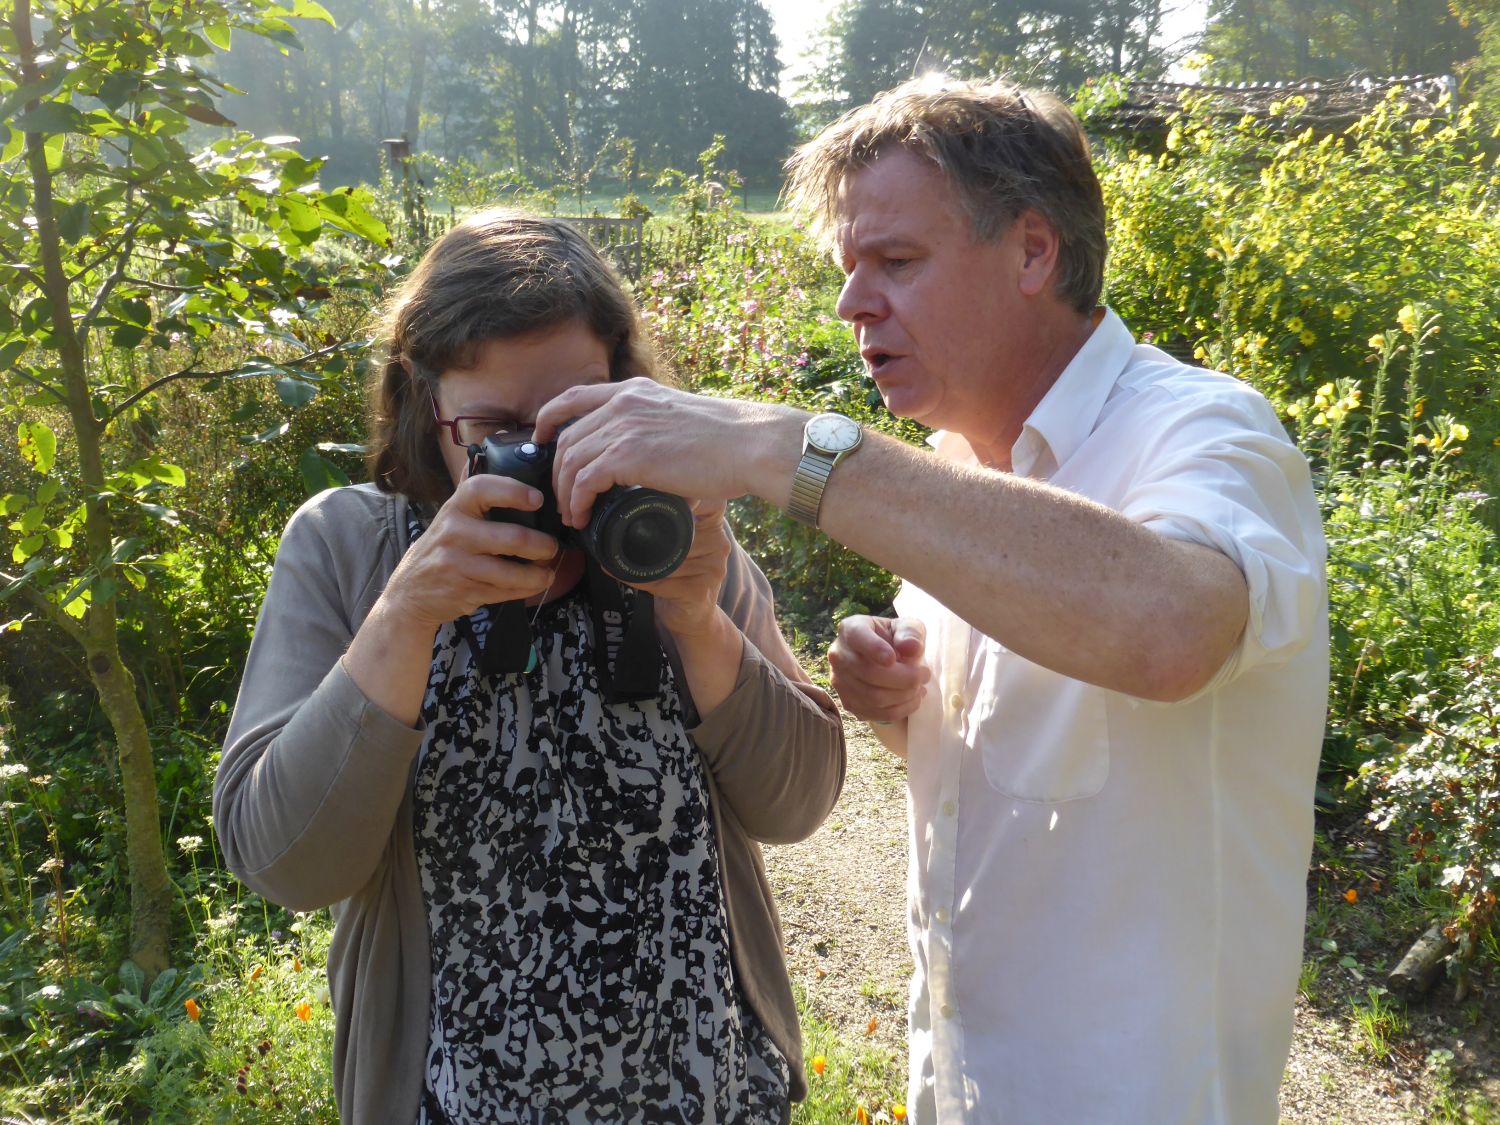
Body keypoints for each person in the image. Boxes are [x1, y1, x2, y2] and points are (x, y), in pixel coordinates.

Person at [529, 78, 1329, 1123]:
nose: (855, 303)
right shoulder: (954, 471)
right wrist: (912, 709)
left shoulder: (1210, 435)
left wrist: (788, 445)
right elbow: (1053, 760)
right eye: (848, 268)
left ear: (1034, 252)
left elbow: (1172, 629)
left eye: (896, 262)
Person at [214, 209, 846, 1125]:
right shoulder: (349, 546)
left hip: (711, 1094)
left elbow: (799, 800)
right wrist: (406, 614)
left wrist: (698, 617)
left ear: (629, 393)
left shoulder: (662, 530)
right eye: (497, 428)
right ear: (426, 409)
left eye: (577, 417)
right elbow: (281, 860)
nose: (548, 461)